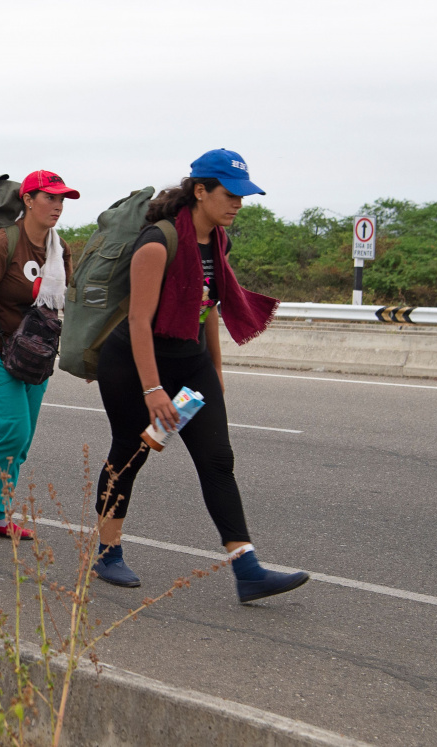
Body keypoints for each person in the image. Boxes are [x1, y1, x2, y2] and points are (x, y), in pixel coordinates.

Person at [91, 149, 309, 603]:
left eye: (243, 196)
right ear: (200, 190)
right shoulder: (158, 242)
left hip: (190, 361)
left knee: (217, 459)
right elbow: (137, 321)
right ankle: (108, 553)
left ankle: (247, 569)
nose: (238, 204)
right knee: (130, 454)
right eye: (230, 195)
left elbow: (208, 307)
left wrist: (216, 370)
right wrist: (152, 389)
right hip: (134, 363)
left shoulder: (218, 242)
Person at [0, 170, 77, 542]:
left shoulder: (60, 250)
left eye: (61, 200)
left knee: (21, 444)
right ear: (27, 200)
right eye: (49, 198)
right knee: (13, 430)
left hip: (34, 358)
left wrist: (84, 357)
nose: (57, 206)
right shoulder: (2, 244)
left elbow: (64, 309)